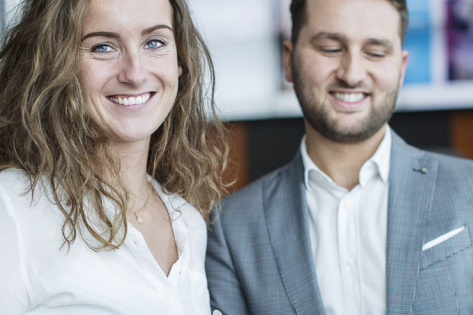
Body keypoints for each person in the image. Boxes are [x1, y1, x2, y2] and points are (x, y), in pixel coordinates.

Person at [206, 0, 473, 314]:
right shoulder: (231, 228)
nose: (352, 74)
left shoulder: (468, 189)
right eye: (331, 48)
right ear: (289, 61)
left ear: (401, 69)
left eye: (375, 53)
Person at [0, 0, 228, 314]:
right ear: (58, 62)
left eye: (154, 42)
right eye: (103, 47)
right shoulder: (11, 206)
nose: (135, 73)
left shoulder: (188, 222)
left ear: (179, 61)